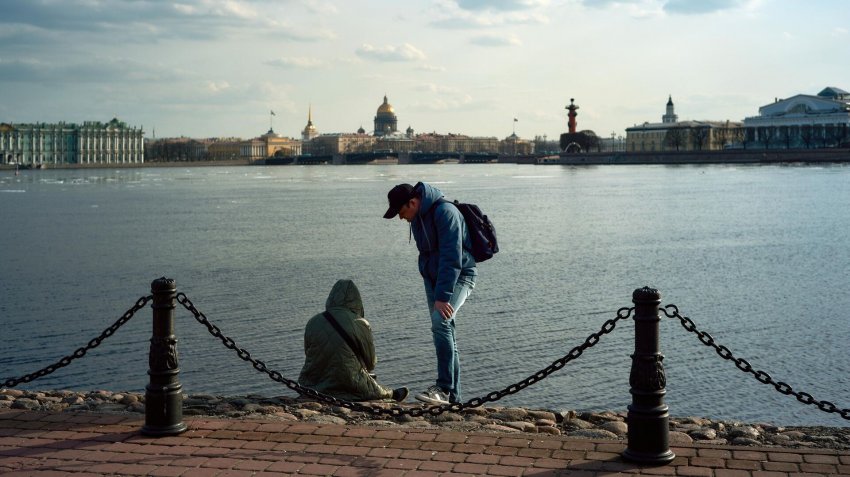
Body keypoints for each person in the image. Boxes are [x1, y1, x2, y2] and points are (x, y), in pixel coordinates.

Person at [383, 182, 477, 405]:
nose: (400, 217)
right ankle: (454, 399)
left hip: (461, 275)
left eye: (401, 211)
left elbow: (451, 258)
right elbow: (427, 253)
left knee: (440, 324)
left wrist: (442, 296)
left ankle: (443, 388)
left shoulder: (446, 213)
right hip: (434, 280)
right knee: (445, 331)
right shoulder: (417, 218)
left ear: (413, 202)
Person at [298, 279, 408, 402]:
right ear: (357, 301)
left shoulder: (313, 321)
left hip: (313, 383)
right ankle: (392, 394)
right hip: (350, 382)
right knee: (377, 389)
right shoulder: (360, 323)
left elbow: (309, 354)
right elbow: (370, 364)